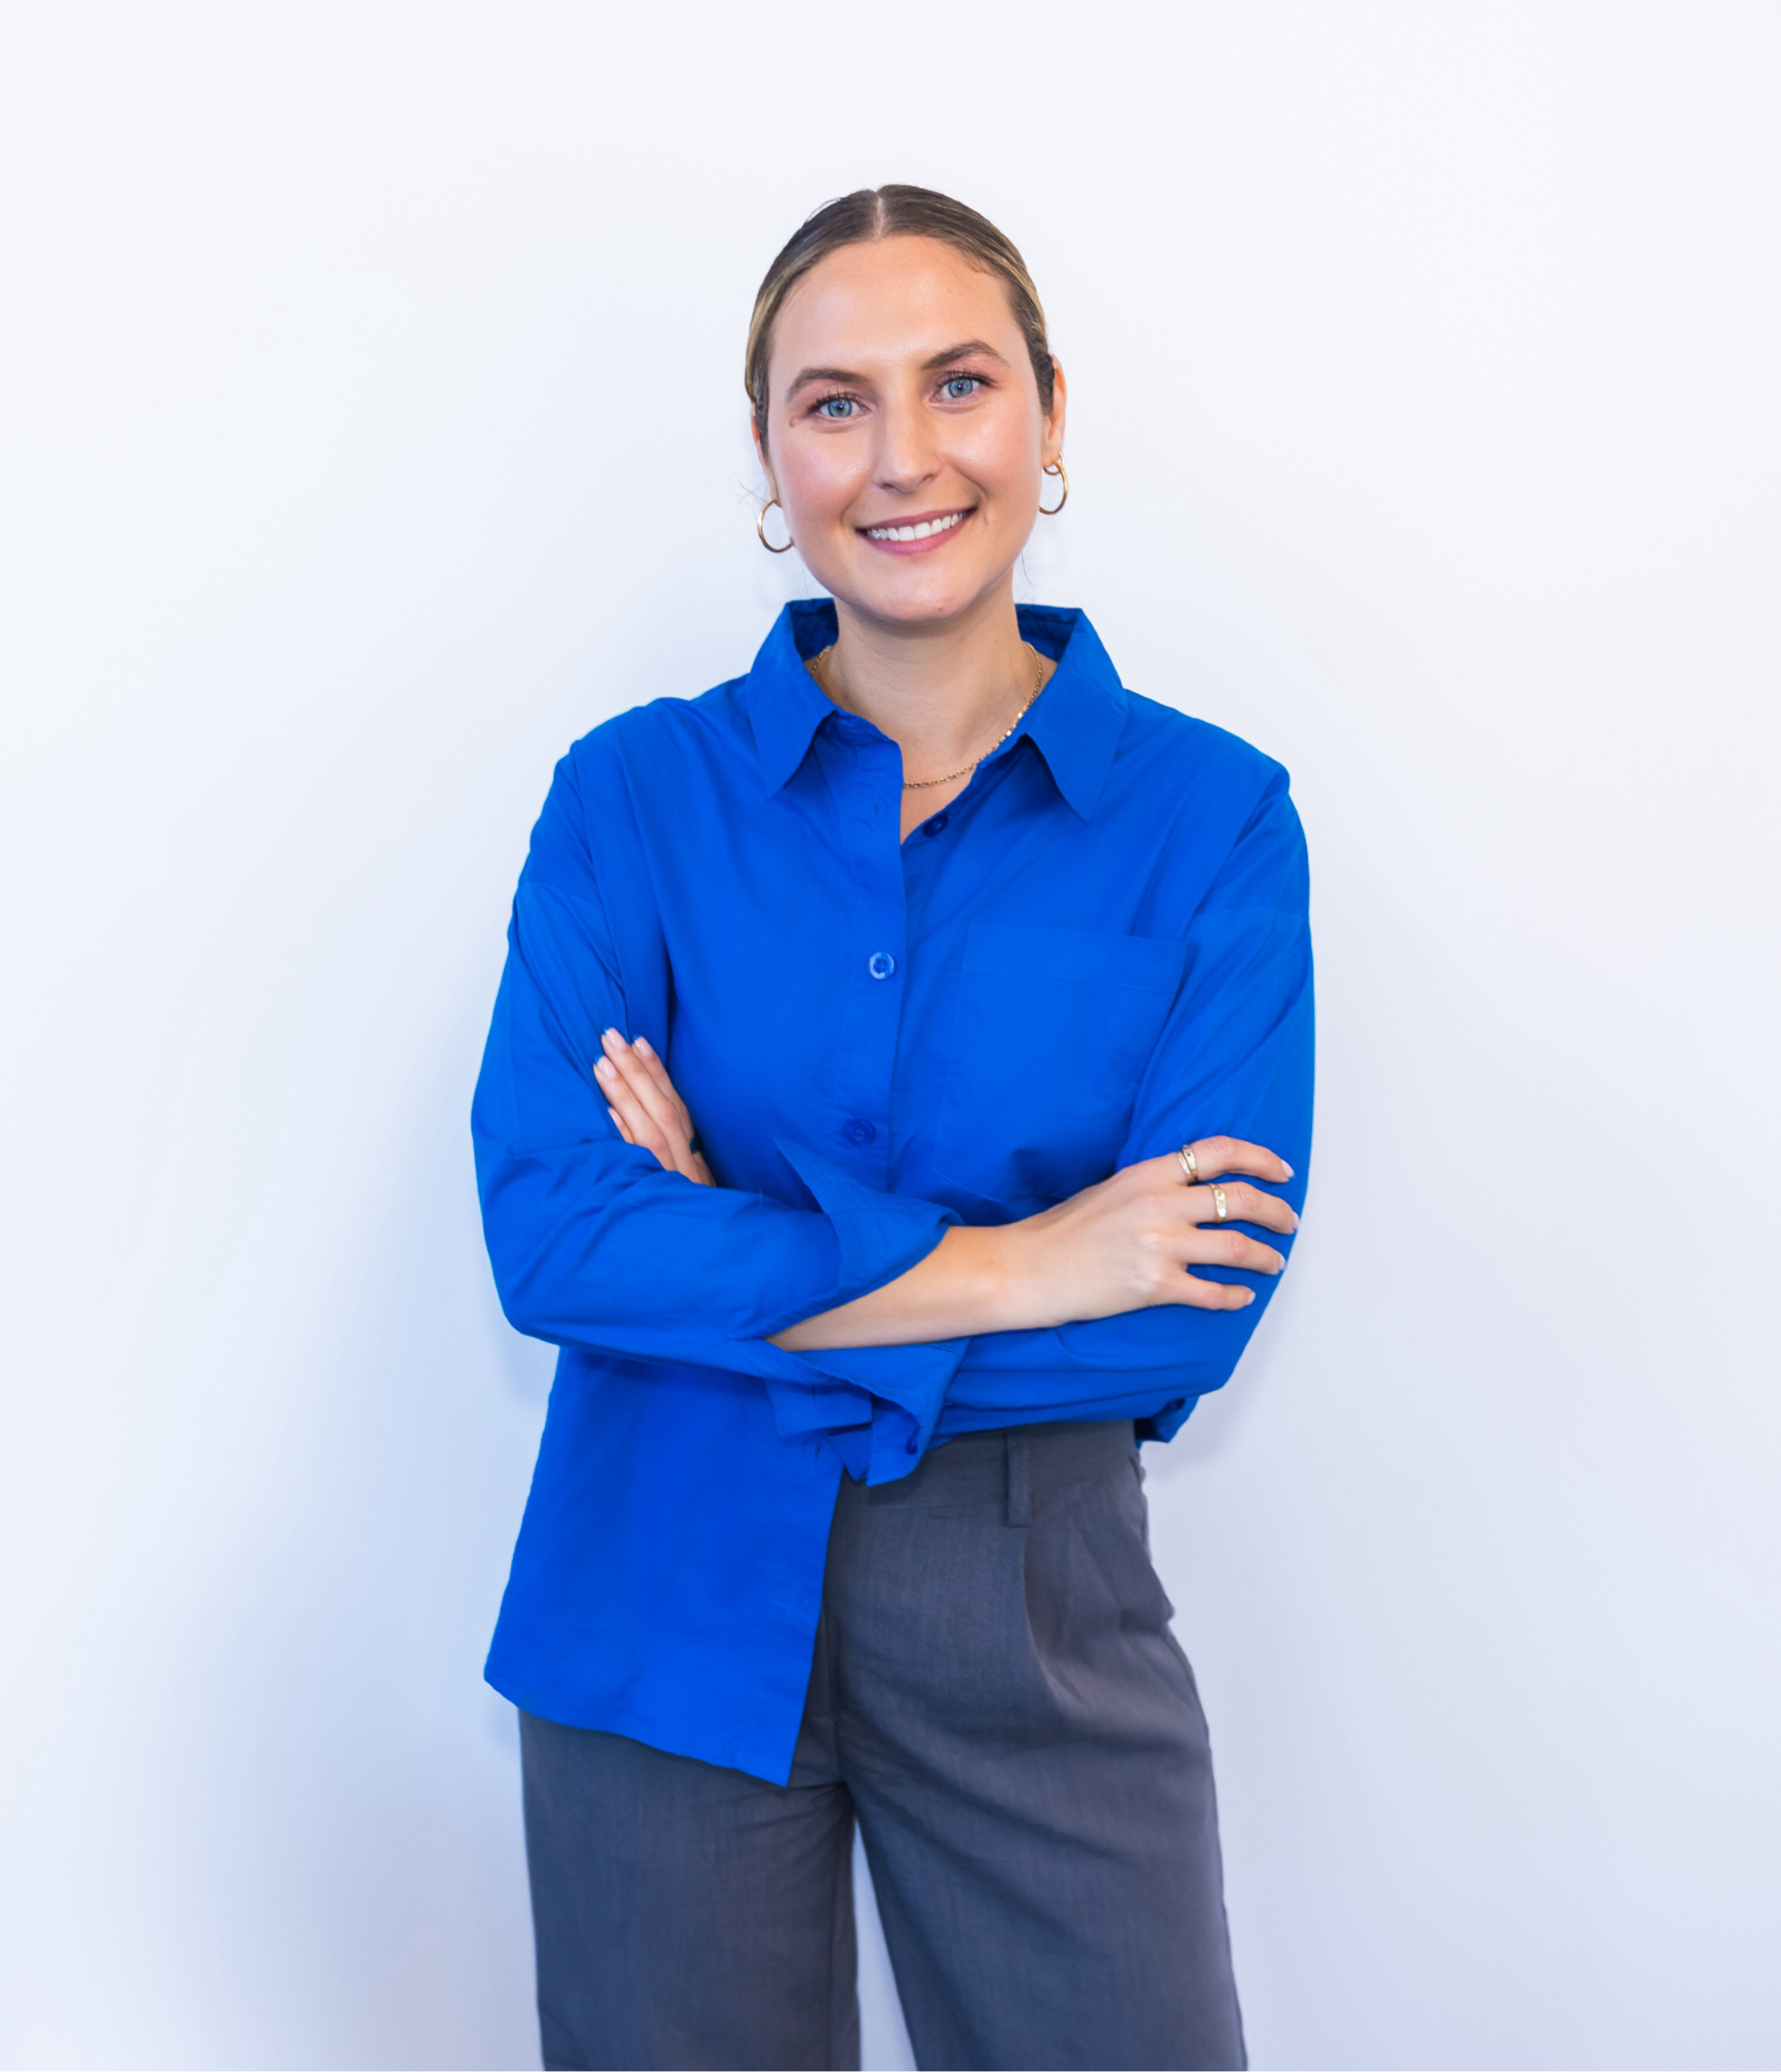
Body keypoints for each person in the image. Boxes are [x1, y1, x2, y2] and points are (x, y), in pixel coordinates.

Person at [472, 184, 1313, 2072]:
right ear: (768, 452)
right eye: (833, 401)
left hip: (1037, 1616)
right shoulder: (630, 797)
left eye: (957, 382)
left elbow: (1181, 1310)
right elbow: (552, 1237)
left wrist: (725, 1253)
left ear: (1049, 413)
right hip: (654, 1602)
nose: (902, 454)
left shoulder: (1213, 819)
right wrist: (1017, 1259)